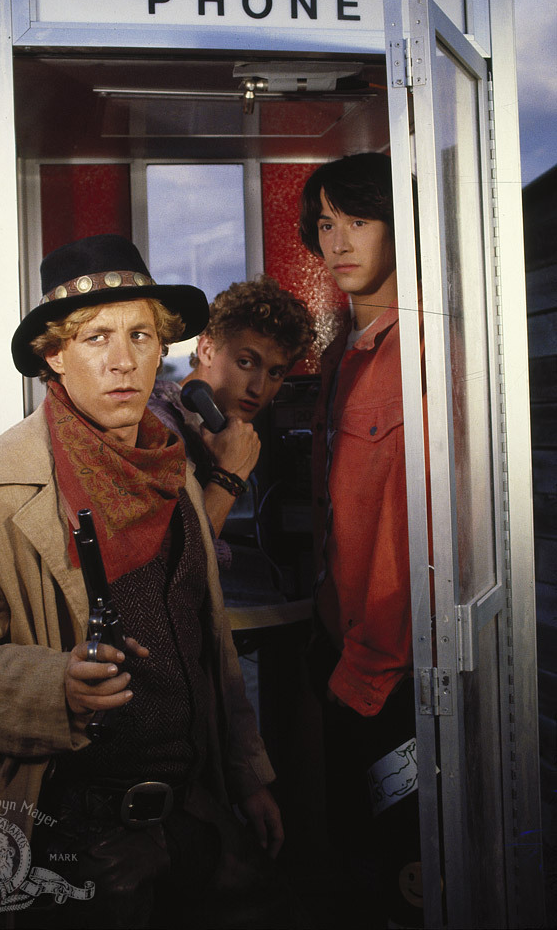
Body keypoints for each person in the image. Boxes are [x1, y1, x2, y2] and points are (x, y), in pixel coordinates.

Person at [0, 235, 290, 929]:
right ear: (54, 353)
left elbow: (212, 651)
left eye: (140, 334)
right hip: (73, 843)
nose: (123, 359)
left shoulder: (172, 469)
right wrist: (54, 684)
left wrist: (248, 777)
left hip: (196, 822)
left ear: (163, 347)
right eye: (95, 337)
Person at [299, 154, 424, 928]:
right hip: (342, 645)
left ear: (399, 224)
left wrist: (365, 672)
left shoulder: (418, 354)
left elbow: (411, 534)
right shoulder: (350, 353)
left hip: (390, 671)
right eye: (325, 224)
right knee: (353, 857)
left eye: (358, 219)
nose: (338, 241)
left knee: (399, 869)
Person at [149, 275, 316, 540]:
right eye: (246, 363)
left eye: (275, 372)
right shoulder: (160, 423)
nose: (258, 388)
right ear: (207, 350)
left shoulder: (227, 431)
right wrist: (230, 475)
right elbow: (179, 563)